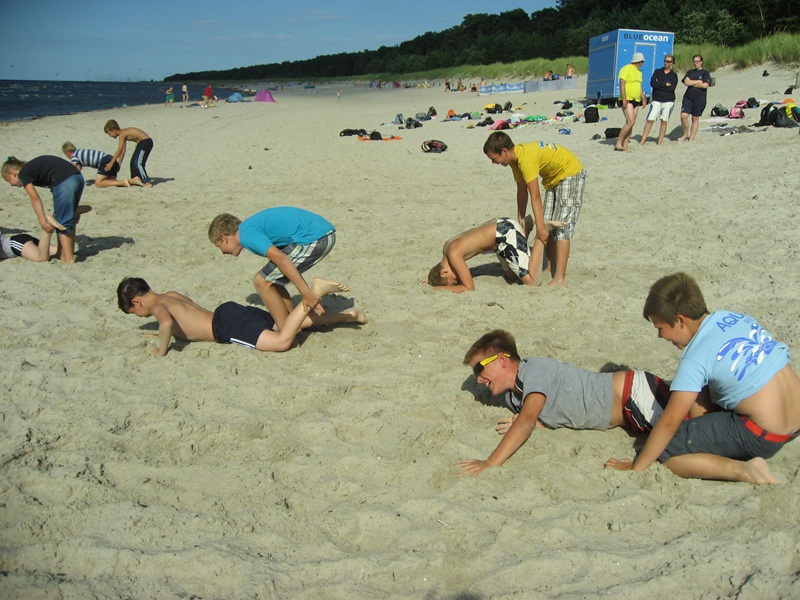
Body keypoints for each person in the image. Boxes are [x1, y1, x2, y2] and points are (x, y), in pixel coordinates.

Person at [605, 273, 800, 484]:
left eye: (660, 328)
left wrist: (636, 467)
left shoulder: (695, 357)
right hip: (794, 421)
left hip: (764, 435)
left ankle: (744, 470)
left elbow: (669, 423)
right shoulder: (734, 318)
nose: (661, 336)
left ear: (680, 320)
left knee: (668, 450)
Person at [456, 329, 698, 477]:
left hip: (633, 393)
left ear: (501, 360)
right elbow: (549, 414)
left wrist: (490, 462)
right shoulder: (513, 397)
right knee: (686, 441)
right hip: (630, 415)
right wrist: (535, 423)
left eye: (479, 369)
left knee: (693, 436)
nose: (478, 379)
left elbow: (527, 421)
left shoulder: (533, 370)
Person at [117, 276, 365, 357]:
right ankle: (347, 317)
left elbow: (167, 322)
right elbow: (182, 319)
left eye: (136, 313)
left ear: (136, 302)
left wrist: (160, 349)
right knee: (286, 325)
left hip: (225, 326)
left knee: (283, 342)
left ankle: (315, 293)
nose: (142, 315)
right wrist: (161, 333)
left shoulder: (159, 307)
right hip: (229, 311)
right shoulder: (170, 295)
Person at [209, 208, 346, 330]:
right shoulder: (249, 228)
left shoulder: (246, 236)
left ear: (224, 238)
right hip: (319, 233)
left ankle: (286, 331)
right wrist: (306, 294)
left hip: (316, 237)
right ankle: (294, 322)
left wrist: (306, 293)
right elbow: (288, 264)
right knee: (272, 280)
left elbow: (281, 259)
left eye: (218, 246)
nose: (222, 252)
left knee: (261, 281)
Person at [483, 131, 586, 287]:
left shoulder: (526, 159)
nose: (493, 163)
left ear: (504, 151)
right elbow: (522, 191)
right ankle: (549, 268)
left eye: (493, 159)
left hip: (570, 174)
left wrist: (540, 228)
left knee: (561, 228)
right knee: (547, 224)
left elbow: (535, 195)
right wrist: (521, 220)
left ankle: (560, 278)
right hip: (552, 180)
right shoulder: (514, 161)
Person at [427, 216, 562, 292]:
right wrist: (431, 280)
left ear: (444, 273)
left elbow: (469, 287)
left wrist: (441, 288)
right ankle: (525, 225)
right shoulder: (447, 248)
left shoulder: (453, 254)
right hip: (498, 231)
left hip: (505, 233)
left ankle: (541, 234)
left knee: (532, 281)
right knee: (511, 276)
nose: (457, 280)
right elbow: (438, 273)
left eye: (453, 281)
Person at [2, 156, 85, 263]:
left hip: (65, 182)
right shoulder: (31, 169)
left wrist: (42, 222)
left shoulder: (23, 174)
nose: (11, 184)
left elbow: (35, 198)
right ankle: (62, 252)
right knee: (65, 218)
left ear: (13, 173)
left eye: (8, 179)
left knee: (63, 222)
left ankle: (68, 258)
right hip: (77, 177)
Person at [640, 54, 678, 145]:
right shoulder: (657, 72)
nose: (666, 63)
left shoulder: (674, 75)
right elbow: (653, 83)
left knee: (664, 121)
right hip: (656, 99)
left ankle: (659, 142)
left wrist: (659, 84)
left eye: (668, 61)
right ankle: (642, 140)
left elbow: (671, 88)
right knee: (650, 119)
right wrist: (665, 84)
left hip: (668, 100)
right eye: (665, 61)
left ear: (672, 63)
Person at [103, 120, 154, 188]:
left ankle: (146, 181)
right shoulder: (122, 134)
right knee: (133, 162)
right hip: (141, 143)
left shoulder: (123, 133)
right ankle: (135, 178)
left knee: (138, 163)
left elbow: (119, 150)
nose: (110, 136)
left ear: (114, 130)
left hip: (146, 142)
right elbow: (123, 150)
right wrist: (119, 164)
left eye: (109, 134)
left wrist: (111, 163)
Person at [61, 142, 134, 188]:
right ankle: (133, 181)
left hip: (105, 161)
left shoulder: (74, 156)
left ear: (67, 153)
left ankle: (123, 182)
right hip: (111, 159)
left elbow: (73, 168)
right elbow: (78, 169)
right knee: (111, 181)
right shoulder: (80, 152)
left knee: (98, 183)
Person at [615, 52, 647, 152]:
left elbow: (639, 86)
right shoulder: (626, 68)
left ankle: (625, 145)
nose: (643, 63)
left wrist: (643, 98)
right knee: (630, 121)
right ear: (638, 60)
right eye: (642, 61)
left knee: (631, 123)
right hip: (627, 98)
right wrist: (624, 98)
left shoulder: (639, 72)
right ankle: (618, 142)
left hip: (636, 99)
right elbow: (622, 84)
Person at [677, 55, 712, 142]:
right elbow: (686, 82)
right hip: (688, 97)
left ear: (701, 62)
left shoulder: (705, 73)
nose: (695, 63)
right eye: (694, 61)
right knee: (683, 116)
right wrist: (698, 82)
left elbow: (704, 85)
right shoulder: (690, 72)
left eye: (697, 61)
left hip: (699, 98)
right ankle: (685, 134)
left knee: (695, 118)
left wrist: (691, 82)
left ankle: (691, 138)